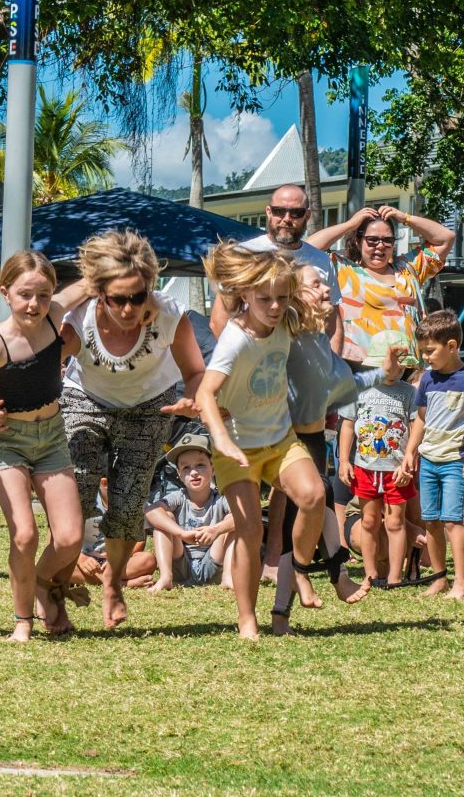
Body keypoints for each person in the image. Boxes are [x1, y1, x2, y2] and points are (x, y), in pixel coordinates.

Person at [52, 228, 206, 628]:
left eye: (137, 297)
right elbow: (41, 336)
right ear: (99, 292)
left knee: (127, 503)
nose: (127, 308)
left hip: (151, 404)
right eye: (117, 298)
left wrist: (193, 397)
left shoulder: (168, 314)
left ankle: (113, 586)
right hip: (85, 399)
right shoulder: (78, 317)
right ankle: (57, 583)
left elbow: (195, 371)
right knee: (77, 492)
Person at [195, 241, 328, 639]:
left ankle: (301, 572)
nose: (273, 306)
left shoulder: (286, 319)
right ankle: (246, 617)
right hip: (236, 447)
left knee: (314, 495)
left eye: (281, 298)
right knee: (249, 532)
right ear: (245, 295)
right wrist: (221, 439)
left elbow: (305, 275)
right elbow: (205, 394)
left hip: (280, 440)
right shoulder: (235, 338)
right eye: (264, 298)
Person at [0, 251, 85, 641]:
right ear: (5, 292)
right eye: (26, 295)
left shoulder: (54, 316)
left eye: (43, 296)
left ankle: (43, 583)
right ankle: (23, 620)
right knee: (25, 534)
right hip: (8, 441)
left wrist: (122, 257)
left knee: (70, 538)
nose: (35, 305)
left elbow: (92, 281)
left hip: (52, 437)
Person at [274, 265, 369, 608]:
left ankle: (289, 602)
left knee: (315, 499)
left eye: (326, 283)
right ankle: (311, 572)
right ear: (295, 294)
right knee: (312, 498)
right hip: (286, 435)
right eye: (316, 284)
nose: (327, 289)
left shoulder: (316, 334)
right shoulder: (286, 327)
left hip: (313, 435)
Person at [398, 309, 464, 602]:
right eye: (423, 351)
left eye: (430, 351)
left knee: (453, 521)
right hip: (429, 461)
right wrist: (411, 451)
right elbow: (421, 419)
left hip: (455, 461)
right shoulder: (426, 380)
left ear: (452, 346)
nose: (425, 357)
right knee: (432, 521)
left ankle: (461, 582)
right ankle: (439, 578)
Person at [307, 203, 457, 364]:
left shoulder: (408, 268)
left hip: (408, 370)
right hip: (359, 372)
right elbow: (308, 249)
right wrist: (350, 225)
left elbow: (446, 238)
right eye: (372, 240)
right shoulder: (341, 269)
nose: (380, 246)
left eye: (387, 240)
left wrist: (405, 218)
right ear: (358, 241)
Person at [213, 184, 337, 335]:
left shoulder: (321, 259)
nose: (287, 219)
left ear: (307, 215)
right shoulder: (243, 253)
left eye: (296, 213)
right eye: (279, 211)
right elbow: (219, 320)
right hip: (257, 354)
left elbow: (332, 321)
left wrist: (331, 357)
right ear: (269, 212)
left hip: (312, 355)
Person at [341, 344, 416, 588]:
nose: (395, 368)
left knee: (396, 522)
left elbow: (416, 426)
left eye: (400, 362)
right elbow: (347, 424)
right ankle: (370, 574)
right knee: (369, 521)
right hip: (365, 467)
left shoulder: (409, 393)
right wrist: (343, 460)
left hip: (396, 470)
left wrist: (410, 458)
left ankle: (395, 576)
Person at [145, 436, 234, 592]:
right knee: (165, 519)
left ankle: (228, 578)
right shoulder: (179, 497)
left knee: (232, 520)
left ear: (213, 469)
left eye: (200, 465)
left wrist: (216, 530)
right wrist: (182, 533)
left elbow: (244, 517)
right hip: (181, 564)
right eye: (186, 468)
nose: (193, 472)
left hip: (214, 562)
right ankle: (166, 577)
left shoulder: (220, 498)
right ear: (179, 474)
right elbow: (151, 511)